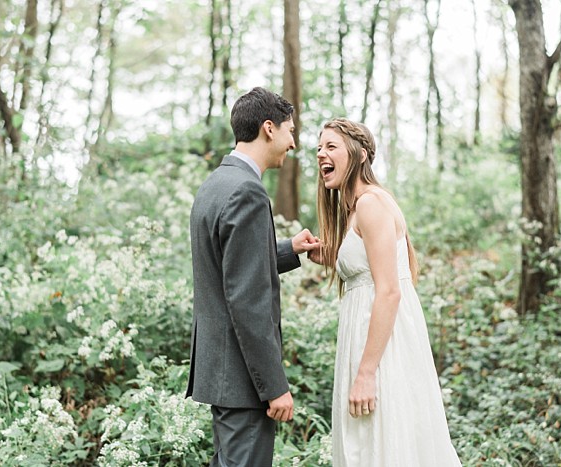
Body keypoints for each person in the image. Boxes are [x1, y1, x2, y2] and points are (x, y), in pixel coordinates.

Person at [313, 118, 461, 466]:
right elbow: (369, 268)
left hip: (381, 352)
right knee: (366, 445)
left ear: (360, 154)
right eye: (319, 148)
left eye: (331, 146)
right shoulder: (356, 209)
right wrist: (334, 257)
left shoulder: (371, 203)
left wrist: (366, 373)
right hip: (366, 344)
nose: (321, 154)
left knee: (384, 445)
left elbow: (390, 290)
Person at [186, 87, 320, 466]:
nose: (293, 143)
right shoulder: (248, 192)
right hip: (244, 382)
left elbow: (227, 267)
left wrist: (288, 249)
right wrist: (274, 387)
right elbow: (247, 300)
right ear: (268, 129)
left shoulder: (215, 184)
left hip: (221, 373)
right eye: (290, 131)